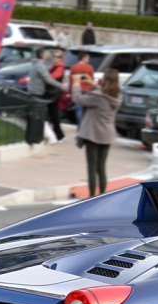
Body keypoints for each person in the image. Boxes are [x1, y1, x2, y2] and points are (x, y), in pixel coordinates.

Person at [75, 68, 122, 197]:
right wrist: (92, 84)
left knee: (92, 167)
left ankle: (91, 196)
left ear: (105, 80)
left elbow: (78, 99)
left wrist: (76, 84)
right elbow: (104, 95)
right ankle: (102, 195)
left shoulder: (97, 97)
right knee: (101, 167)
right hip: (107, 135)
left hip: (93, 135)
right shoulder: (117, 96)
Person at [28, 48, 67, 143]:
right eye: (53, 55)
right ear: (42, 56)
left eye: (58, 56)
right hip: (46, 92)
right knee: (48, 115)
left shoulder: (59, 67)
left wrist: (61, 86)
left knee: (51, 114)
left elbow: (50, 78)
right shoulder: (47, 66)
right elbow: (48, 78)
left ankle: (55, 136)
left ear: (61, 58)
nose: (54, 57)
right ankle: (54, 136)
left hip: (53, 93)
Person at [68, 51, 96, 121]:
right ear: (83, 58)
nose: (88, 60)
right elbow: (92, 79)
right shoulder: (90, 67)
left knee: (78, 110)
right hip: (87, 90)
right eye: (87, 58)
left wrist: (70, 92)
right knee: (87, 111)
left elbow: (71, 80)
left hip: (77, 90)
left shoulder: (73, 67)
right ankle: (86, 126)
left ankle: (79, 126)